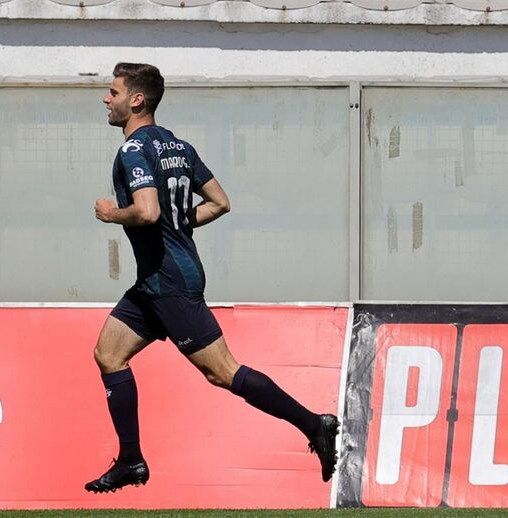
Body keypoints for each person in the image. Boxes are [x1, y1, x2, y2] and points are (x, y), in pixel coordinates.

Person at [86, 62, 339, 493]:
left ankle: (315, 424)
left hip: (170, 282)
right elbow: (220, 203)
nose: (106, 99)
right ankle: (131, 459)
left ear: (137, 100)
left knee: (223, 373)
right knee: (108, 353)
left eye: (114, 92)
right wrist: (180, 224)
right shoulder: (180, 147)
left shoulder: (133, 151)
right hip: (153, 283)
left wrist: (112, 214)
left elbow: (147, 211)